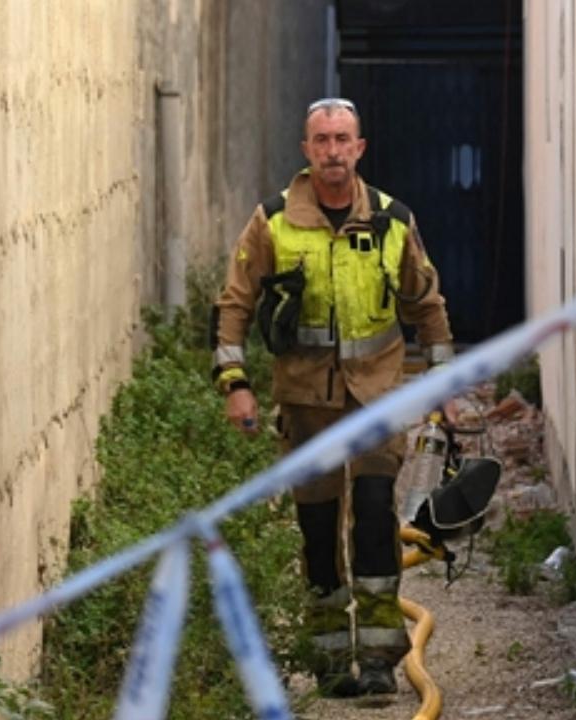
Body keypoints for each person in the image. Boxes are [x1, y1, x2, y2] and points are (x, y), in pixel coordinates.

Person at [210, 97, 454, 697]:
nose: (333, 151)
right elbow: (234, 306)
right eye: (322, 140)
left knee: (373, 516)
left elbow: (427, 304)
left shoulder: (394, 222)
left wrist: (444, 385)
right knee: (318, 528)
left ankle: (377, 660)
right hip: (306, 404)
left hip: (375, 397)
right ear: (306, 150)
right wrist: (235, 384)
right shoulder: (272, 223)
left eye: (343, 139)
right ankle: (326, 659)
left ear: (360, 148)